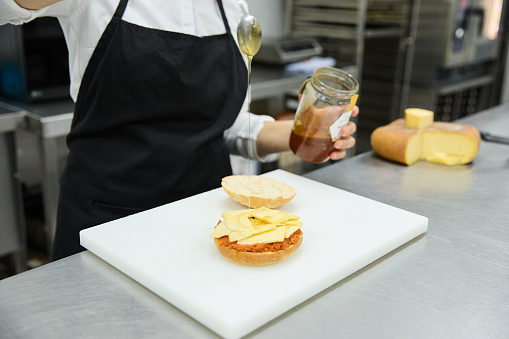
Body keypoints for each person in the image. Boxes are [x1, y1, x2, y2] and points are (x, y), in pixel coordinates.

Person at [0, 0, 359, 260]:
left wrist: (295, 137)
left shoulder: (232, 9)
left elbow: (226, 125)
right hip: (108, 218)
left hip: (205, 220)